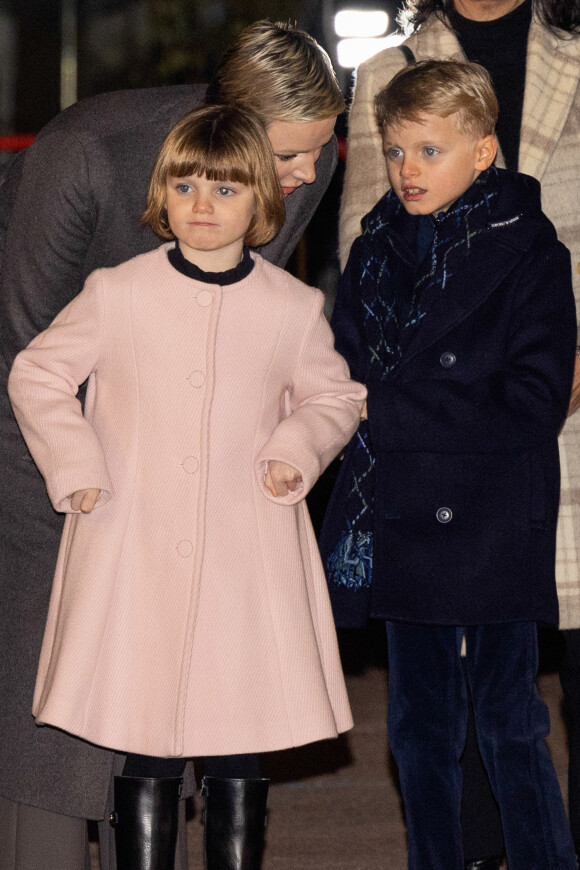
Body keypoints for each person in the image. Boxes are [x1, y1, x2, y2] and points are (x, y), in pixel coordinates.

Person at [0, 20, 346, 870]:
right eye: (293, 156)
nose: (310, 176)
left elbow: (252, 318)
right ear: (234, 125)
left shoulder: (304, 156)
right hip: (39, 404)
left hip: (163, 443)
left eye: (318, 154)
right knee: (48, 677)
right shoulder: (82, 155)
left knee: (173, 681)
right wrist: (80, 494)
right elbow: (23, 358)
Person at [338, 1, 580, 866]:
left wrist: (394, 410)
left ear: (484, 154)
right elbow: (346, 366)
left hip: (494, 517)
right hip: (406, 512)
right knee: (418, 732)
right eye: (396, 151)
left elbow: (533, 400)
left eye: (429, 152)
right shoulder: (373, 252)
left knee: (510, 723)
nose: (406, 169)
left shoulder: (530, 252)